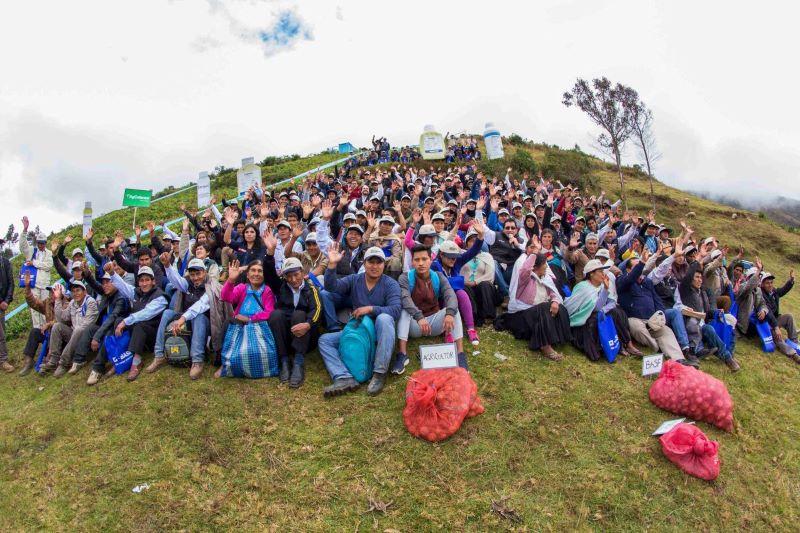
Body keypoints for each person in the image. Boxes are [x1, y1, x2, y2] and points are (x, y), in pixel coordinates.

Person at [318, 245, 401, 397]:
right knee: (325, 340)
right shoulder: (355, 280)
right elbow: (331, 287)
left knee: (384, 318)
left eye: (379, 262)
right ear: (364, 263)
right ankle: (343, 377)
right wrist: (331, 265)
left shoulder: (390, 284)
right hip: (358, 329)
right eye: (371, 262)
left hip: (378, 333)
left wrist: (370, 309)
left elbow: (395, 310)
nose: (374, 266)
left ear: (384, 264)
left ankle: (379, 373)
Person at [149, 255, 228, 380]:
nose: (195, 278)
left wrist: (182, 319)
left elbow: (200, 305)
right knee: (167, 313)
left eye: (198, 273)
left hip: (207, 324)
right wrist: (167, 266)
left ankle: (197, 360)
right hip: (186, 318)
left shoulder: (212, 286)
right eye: (192, 274)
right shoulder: (188, 283)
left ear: (205, 272)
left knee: (199, 316)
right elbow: (176, 281)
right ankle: (159, 355)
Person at [395, 245, 467, 374]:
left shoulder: (438, 276)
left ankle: (460, 354)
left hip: (434, 323)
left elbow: (450, 294)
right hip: (415, 325)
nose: (421, 263)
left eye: (424, 259)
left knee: (453, 310)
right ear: (412, 261)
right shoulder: (405, 277)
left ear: (431, 260)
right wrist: (419, 317)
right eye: (417, 260)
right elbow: (405, 298)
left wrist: (449, 313)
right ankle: (402, 354)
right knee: (404, 310)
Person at [616, 254, 690, 365]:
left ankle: (679, 359)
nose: (639, 270)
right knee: (637, 328)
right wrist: (641, 263)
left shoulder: (647, 282)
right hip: (634, 318)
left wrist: (660, 314)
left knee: (666, 331)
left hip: (651, 319)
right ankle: (656, 347)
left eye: (640, 266)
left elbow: (657, 300)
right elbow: (631, 278)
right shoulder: (622, 281)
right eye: (636, 267)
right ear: (628, 269)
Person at [263, 253, 322, 388]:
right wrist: (270, 254)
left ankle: (298, 362)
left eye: (296, 274)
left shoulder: (311, 289)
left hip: (306, 338)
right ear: (284, 277)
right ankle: (283, 360)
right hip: (287, 337)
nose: (293, 279)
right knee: (276, 315)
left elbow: (317, 310)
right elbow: (269, 273)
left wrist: (308, 324)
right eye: (289, 276)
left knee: (299, 314)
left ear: (302, 272)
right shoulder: (281, 287)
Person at [501, 251, 571, 360]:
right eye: (544, 263)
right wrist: (534, 254)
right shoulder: (525, 279)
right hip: (521, 317)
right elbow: (525, 270)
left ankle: (557, 338)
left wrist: (555, 302)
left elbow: (554, 294)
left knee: (559, 307)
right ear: (537, 266)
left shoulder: (545, 278)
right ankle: (545, 346)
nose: (546, 266)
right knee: (543, 308)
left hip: (536, 317)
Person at [106, 262, 169, 381]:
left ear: (153, 281)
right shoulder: (137, 292)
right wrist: (112, 273)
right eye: (141, 280)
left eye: (147, 280)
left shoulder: (160, 296)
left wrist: (126, 321)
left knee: (139, 324)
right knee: (118, 319)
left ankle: (136, 362)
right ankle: (121, 357)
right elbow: (123, 286)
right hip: (139, 335)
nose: (144, 283)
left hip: (153, 336)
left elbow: (146, 313)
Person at [216, 259, 278, 379]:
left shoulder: (267, 291)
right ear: (248, 275)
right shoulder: (241, 288)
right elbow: (225, 297)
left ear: (264, 275)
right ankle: (222, 362)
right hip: (239, 324)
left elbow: (269, 312)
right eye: (253, 270)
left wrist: (249, 319)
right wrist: (231, 280)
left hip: (258, 326)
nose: (256, 274)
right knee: (229, 322)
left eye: (260, 271)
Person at [679, 261, 741, 371]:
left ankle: (728, 357)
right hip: (691, 324)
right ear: (691, 279)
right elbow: (687, 278)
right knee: (708, 329)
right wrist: (697, 260)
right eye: (696, 277)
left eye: (700, 278)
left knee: (729, 322)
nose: (699, 280)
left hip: (704, 323)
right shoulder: (686, 290)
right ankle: (728, 358)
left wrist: (715, 311)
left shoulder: (703, 292)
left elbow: (708, 310)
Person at [41, 280, 99, 377]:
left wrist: (75, 331)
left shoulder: (90, 302)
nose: (75, 293)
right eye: (73, 291)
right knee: (57, 326)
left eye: (78, 290)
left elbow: (86, 325)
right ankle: (53, 360)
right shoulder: (72, 303)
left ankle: (64, 363)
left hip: (87, 337)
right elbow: (61, 318)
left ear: (84, 292)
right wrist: (58, 300)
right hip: (74, 334)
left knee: (79, 329)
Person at [86, 272, 131, 385]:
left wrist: (97, 337)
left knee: (108, 333)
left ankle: (97, 368)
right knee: (90, 328)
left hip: (120, 329)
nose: (105, 285)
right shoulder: (108, 294)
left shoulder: (121, 297)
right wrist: (87, 273)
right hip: (107, 325)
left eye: (108, 282)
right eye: (103, 283)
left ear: (115, 283)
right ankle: (77, 360)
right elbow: (94, 284)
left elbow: (112, 318)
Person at [19, 217, 54, 334]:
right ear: (36, 242)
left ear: (46, 243)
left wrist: (34, 263)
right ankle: (36, 330)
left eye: (43, 243)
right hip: (34, 284)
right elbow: (22, 246)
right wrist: (25, 230)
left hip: (44, 286)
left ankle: (46, 330)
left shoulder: (49, 253)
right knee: (34, 309)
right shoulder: (31, 251)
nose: (41, 245)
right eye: (39, 243)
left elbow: (49, 265)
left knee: (45, 308)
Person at [758, 269, 798, 359]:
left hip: (774, 320)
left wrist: (791, 280)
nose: (770, 285)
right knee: (778, 336)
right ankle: (793, 354)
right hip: (765, 324)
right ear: (762, 284)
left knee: (789, 316)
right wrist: (776, 327)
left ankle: (795, 343)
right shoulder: (761, 295)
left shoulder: (774, 292)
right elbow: (768, 312)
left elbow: (783, 290)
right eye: (767, 283)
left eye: (771, 282)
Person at [0, 248, 12, 372]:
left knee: (2, 331)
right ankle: (3, 360)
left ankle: (2, 360)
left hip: (2, 304)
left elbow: (11, 282)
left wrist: (7, 300)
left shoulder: (6, 263)